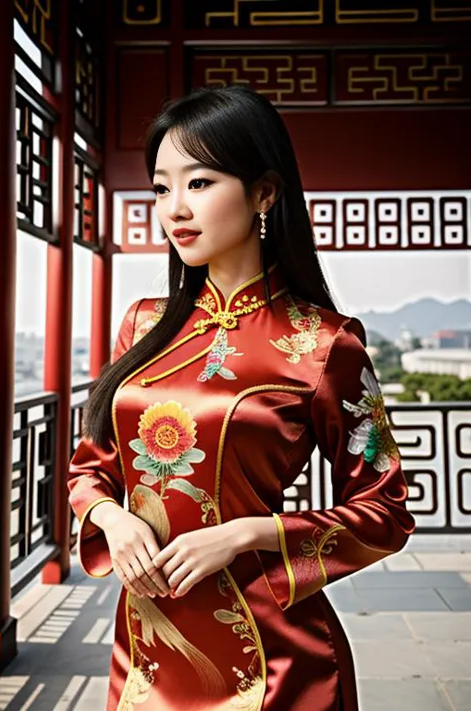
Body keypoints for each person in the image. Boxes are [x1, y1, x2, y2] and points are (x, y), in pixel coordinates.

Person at [68, 84, 415, 711]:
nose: (174, 208)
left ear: (264, 193)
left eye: (198, 183)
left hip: (276, 663)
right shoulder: (144, 326)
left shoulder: (325, 344)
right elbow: (91, 466)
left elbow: (385, 509)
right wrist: (109, 518)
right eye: (161, 187)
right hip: (148, 652)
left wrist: (248, 534)